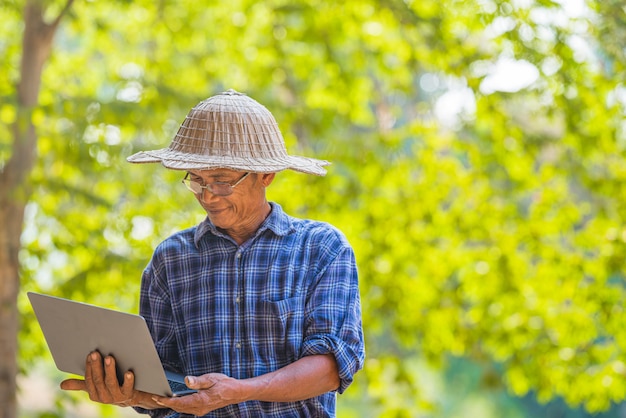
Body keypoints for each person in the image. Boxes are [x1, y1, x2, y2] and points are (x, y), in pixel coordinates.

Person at [60, 89, 365, 417]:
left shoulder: (321, 249)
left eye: (221, 182)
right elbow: (162, 383)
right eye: (197, 181)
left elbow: (332, 367)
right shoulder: (170, 260)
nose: (207, 197)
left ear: (267, 175)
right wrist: (127, 391)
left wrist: (240, 391)